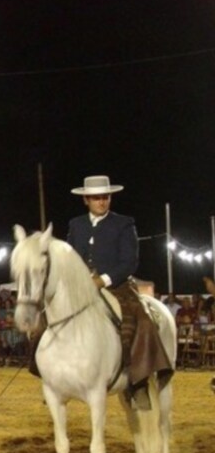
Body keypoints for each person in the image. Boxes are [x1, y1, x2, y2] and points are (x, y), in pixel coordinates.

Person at [67, 175, 173, 410]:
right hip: (81, 286)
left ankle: (140, 381)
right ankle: (51, 376)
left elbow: (129, 262)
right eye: (96, 198)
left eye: (105, 197)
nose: (102, 201)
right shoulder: (76, 225)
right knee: (49, 316)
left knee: (141, 320)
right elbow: (70, 257)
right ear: (86, 200)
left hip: (117, 285)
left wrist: (102, 280)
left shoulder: (124, 224)